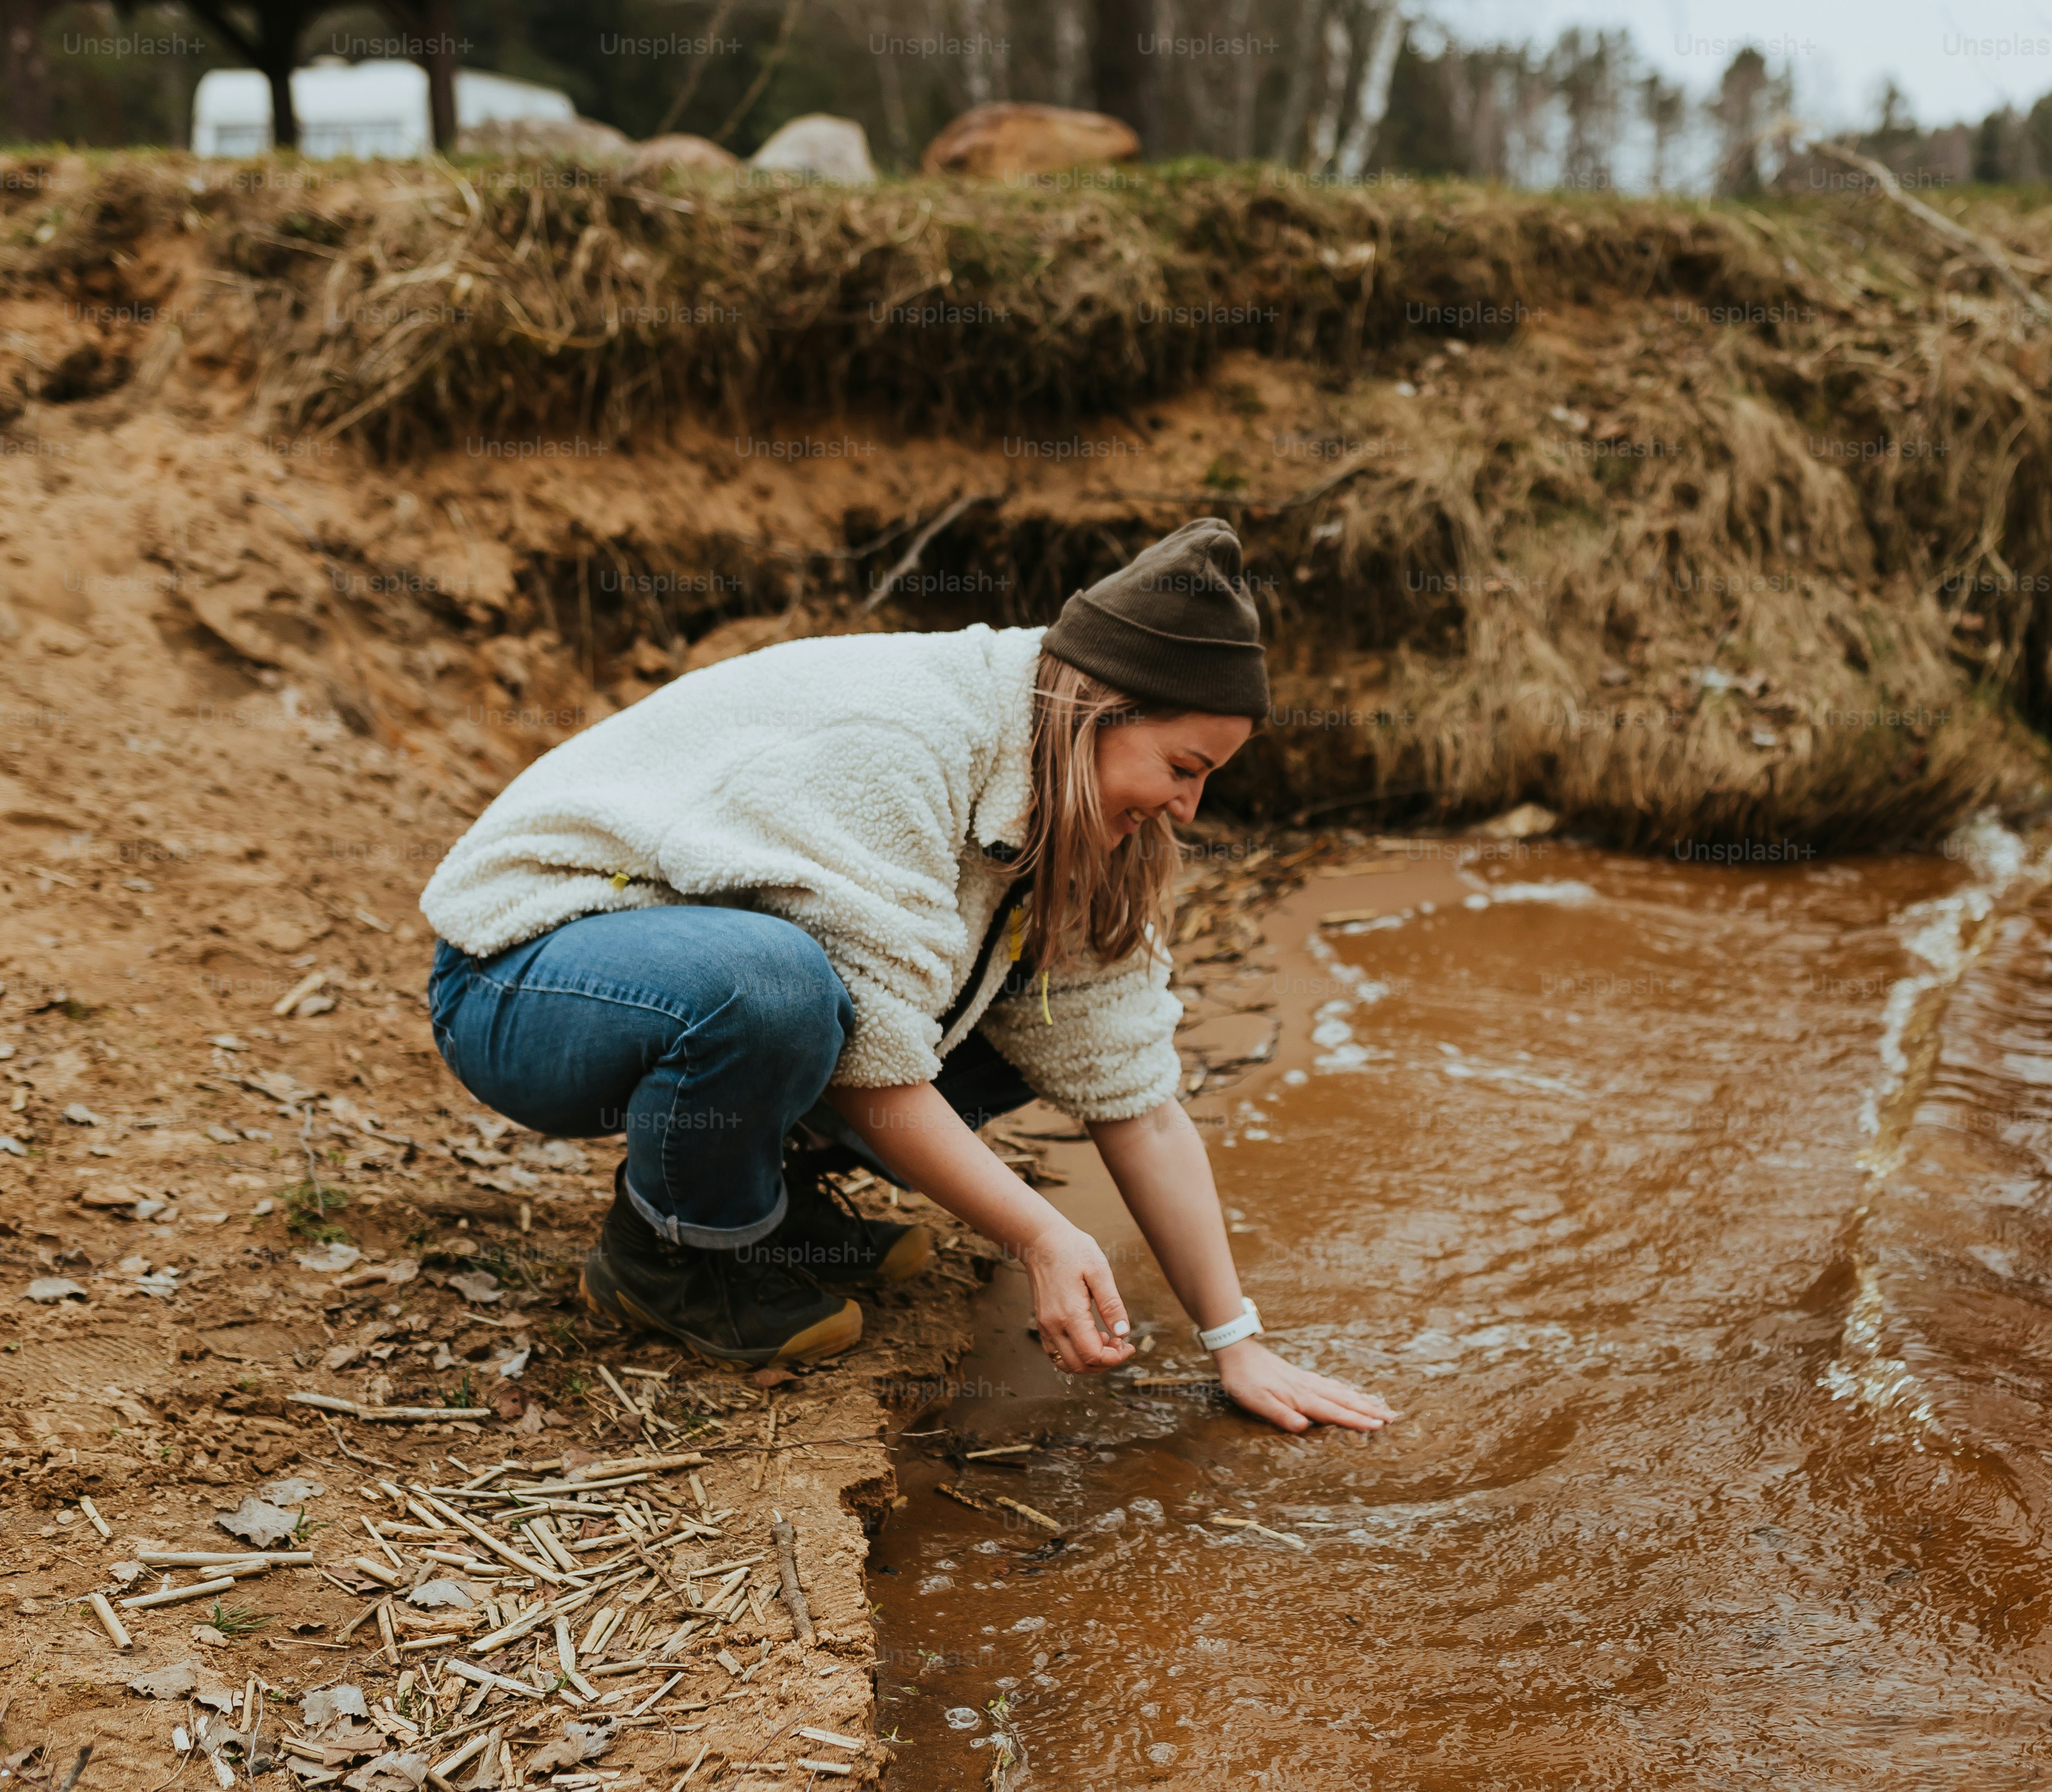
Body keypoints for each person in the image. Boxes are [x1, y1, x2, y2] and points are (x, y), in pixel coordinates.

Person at [418, 518, 1395, 1434]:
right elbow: (875, 1056)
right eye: (1183, 766)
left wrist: (1237, 1344)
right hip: (524, 974)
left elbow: (1133, 1098)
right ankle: (668, 1253)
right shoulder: (907, 740)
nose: (1187, 806)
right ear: (1102, 707)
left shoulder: (1071, 807)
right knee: (777, 988)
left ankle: (764, 1209)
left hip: (695, 972)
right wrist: (1041, 1235)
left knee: (1037, 1021)